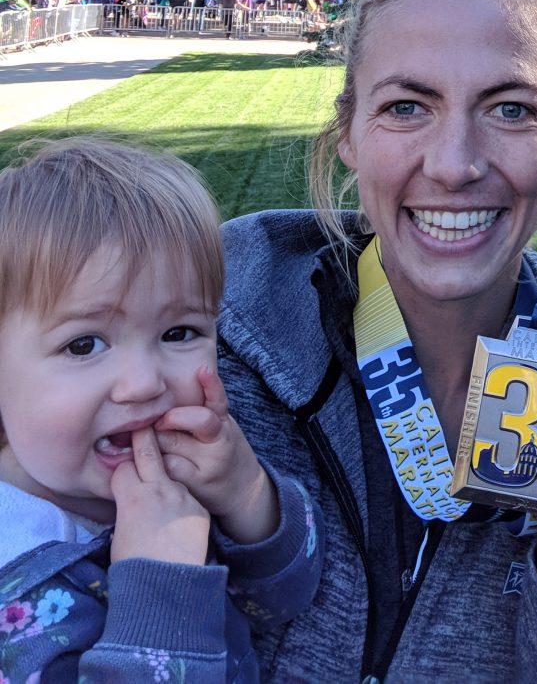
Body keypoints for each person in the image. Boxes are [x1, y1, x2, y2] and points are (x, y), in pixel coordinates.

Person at [217, 0, 537, 680]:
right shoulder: (211, 353)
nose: (456, 164)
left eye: (511, 109)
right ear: (348, 132)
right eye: (406, 107)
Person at [0, 138, 324, 679]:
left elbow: (283, 604)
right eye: (84, 345)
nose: (144, 383)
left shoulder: (183, 476)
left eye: (179, 332)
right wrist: (162, 582)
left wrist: (247, 496)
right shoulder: (16, 579)